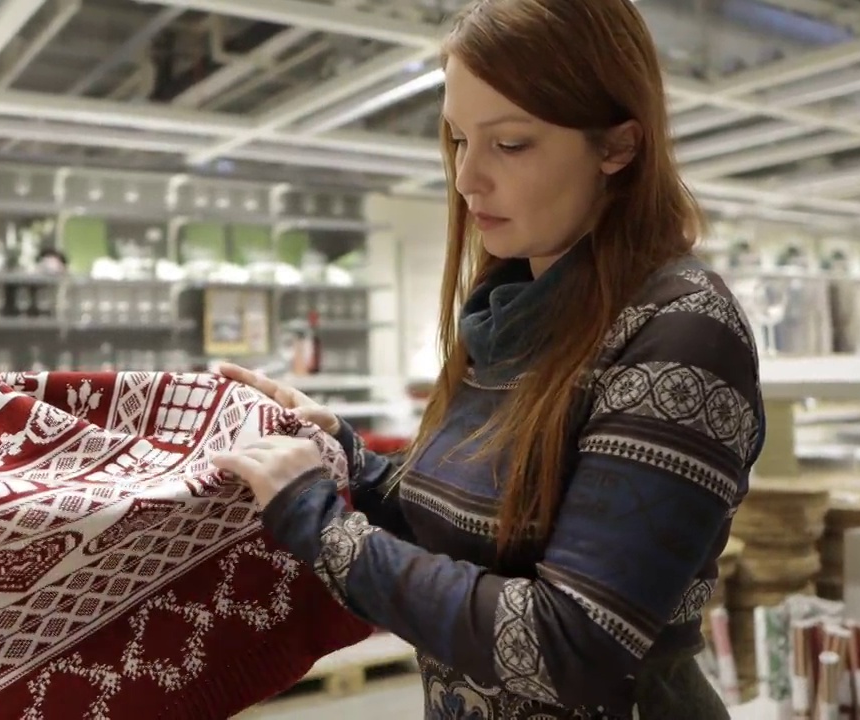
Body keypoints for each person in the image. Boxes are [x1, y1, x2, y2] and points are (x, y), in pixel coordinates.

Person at [209, 0, 766, 717]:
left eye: (510, 144)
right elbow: (463, 531)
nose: (468, 178)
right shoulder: (509, 313)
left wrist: (320, 522)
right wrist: (340, 452)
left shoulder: (681, 331)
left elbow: (567, 645)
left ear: (618, 147)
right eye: (458, 139)